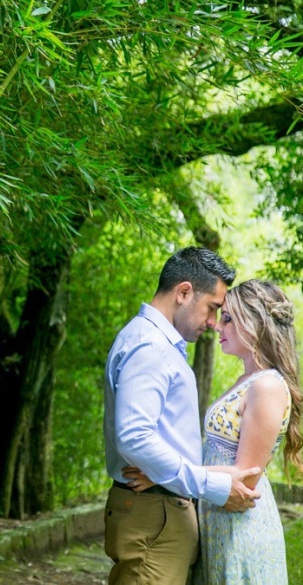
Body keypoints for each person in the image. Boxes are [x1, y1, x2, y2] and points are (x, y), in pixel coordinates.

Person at [125, 279, 303, 584]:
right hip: (217, 519)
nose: (217, 326)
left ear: (256, 322)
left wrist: (163, 475)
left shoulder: (267, 386)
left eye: (228, 319)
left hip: (241, 529)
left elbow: (246, 475)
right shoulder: (246, 380)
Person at [103, 247, 262, 585]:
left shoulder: (158, 344)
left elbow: (160, 437)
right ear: (184, 292)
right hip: (152, 517)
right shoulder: (151, 347)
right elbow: (135, 437)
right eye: (212, 308)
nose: (213, 323)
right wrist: (213, 486)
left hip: (159, 511)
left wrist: (162, 475)